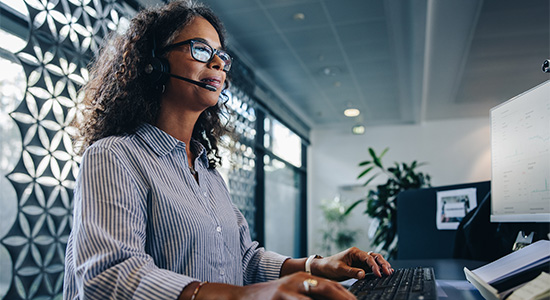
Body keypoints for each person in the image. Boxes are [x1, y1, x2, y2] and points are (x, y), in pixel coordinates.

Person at [63, 1, 393, 299]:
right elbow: (109, 277)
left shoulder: (207, 172)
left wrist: (316, 266)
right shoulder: (114, 157)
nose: (218, 63)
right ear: (154, 62)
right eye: (201, 50)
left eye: (221, 55)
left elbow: (243, 259)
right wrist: (245, 296)